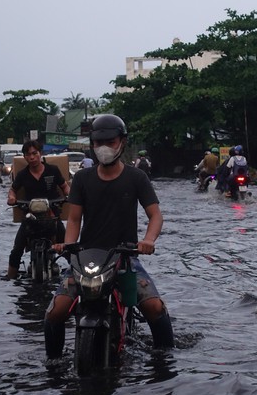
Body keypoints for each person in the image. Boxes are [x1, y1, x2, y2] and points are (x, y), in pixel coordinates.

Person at [44, 114, 174, 359]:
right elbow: (74, 219)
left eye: (110, 142)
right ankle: (52, 364)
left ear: (122, 142)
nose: (103, 148)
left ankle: (165, 361)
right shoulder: (82, 178)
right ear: (92, 144)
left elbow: (155, 216)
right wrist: (69, 246)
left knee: (154, 308)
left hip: (124, 258)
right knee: (55, 312)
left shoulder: (137, 178)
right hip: (85, 259)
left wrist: (148, 241)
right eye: (98, 142)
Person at [6, 140, 70, 279]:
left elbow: (65, 187)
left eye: (34, 153)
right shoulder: (22, 174)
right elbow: (12, 190)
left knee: (69, 248)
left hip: (52, 216)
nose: (32, 157)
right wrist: (11, 198)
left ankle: (80, 275)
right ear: (24, 157)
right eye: (28, 154)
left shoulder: (53, 170)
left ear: (40, 153)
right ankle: (9, 279)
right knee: (16, 250)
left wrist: (69, 196)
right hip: (30, 218)